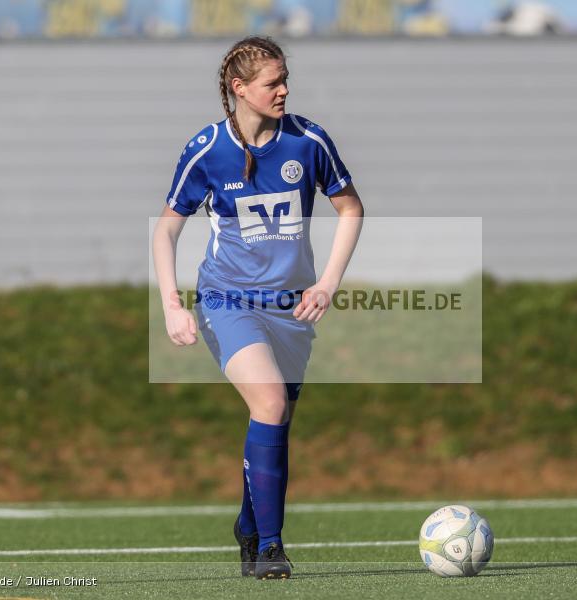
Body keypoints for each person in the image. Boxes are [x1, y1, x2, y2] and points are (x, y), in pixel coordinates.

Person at [151, 36, 363, 580]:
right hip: (227, 300)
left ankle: (250, 522)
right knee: (269, 402)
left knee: (278, 419)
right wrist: (173, 306)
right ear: (239, 89)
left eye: (286, 78)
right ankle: (269, 547)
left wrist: (327, 284)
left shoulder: (307, 140)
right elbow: (165, 232)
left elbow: (351, 209)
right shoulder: (206, 149)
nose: (284, 90)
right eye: (273, 82)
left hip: (292, 309)